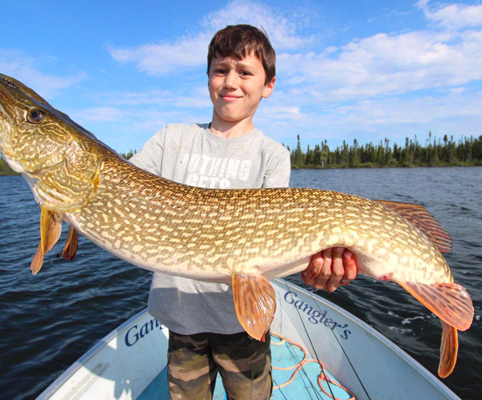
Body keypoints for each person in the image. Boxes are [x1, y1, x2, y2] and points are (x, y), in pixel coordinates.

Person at [130, 24, 359, 400]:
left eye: (245, 72)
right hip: (182, 323)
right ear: (207, 78)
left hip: (243, 327)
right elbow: (122, 186)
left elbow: (275, 242)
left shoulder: (271, 154)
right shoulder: (171, 139)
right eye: (220, 70)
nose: (230, 81)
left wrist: (317, 267)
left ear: (268, 85)